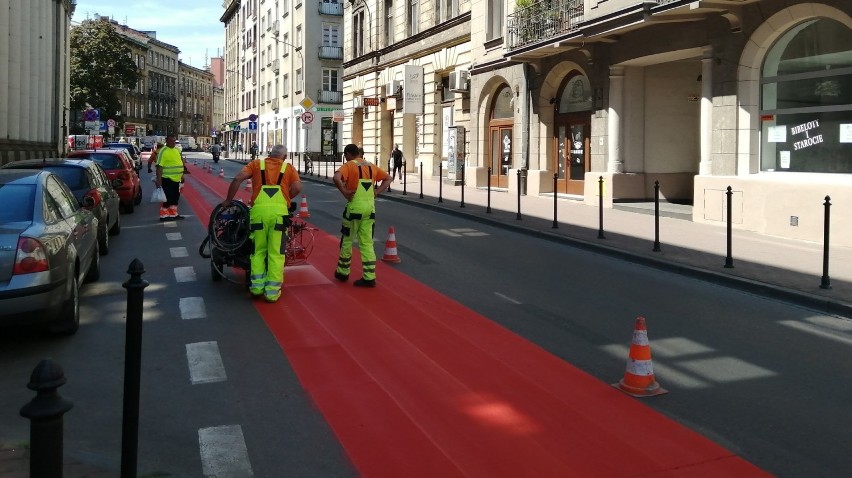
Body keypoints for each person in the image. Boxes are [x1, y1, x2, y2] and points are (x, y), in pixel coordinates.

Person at [221, 144, 302, 303]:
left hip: (258, 214)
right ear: (284, 157)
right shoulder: (288, 167)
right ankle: (272, 292)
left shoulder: (257, 164)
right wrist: (286, 198)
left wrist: (228, 201)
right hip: (279, 215)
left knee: (258, 251)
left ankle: (256, 288)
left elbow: (238, 178)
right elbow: (298, 186)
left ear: (269, 154)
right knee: (276, 253)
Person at [332, 143, 392, 287]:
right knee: (366, 243)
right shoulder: (371, 166)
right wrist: (377, 192)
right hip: (369, 209)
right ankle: (369, 276)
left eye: (345, 156)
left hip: (354, 209)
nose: (345, 158)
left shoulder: (349, 165)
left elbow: (336, 177)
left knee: (347, 240)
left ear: (348, 154)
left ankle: (343, 272)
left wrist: (345, 192)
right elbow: (388, 178)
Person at [154, 135, 186, 221]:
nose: (173, 143)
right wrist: (159, 180)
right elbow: (159, 166)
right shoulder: (163, 151)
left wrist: (182, 175)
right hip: (167, 178)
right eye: (171, 141)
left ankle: (173, 214)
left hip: (176, 179)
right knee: (168, 197)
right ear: (167, 141)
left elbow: (181, 163)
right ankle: (163, 215)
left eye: (174, 141)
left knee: (175, 197)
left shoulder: (177, 150)